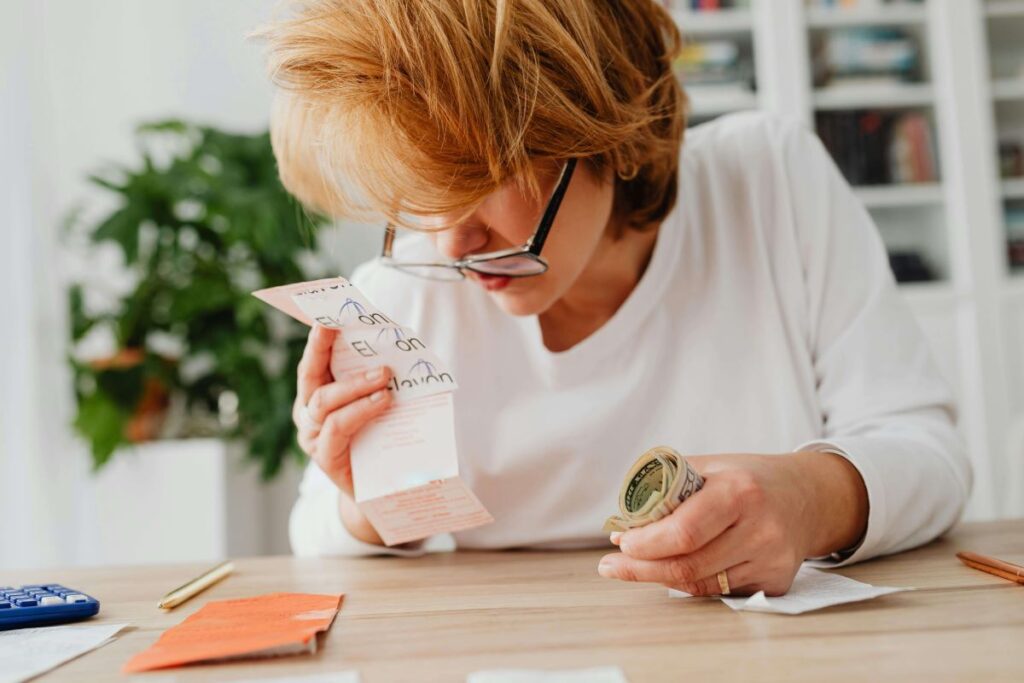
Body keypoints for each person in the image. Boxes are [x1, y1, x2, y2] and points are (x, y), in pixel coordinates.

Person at [263, 0, 971, 597]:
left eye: (478, 179)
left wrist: (810, 498)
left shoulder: (768, 186)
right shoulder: (404, 290)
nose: (452, 243)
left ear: (608, 125)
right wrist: (371, 502)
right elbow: (315, 537)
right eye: (422, 190)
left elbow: (929, 455)